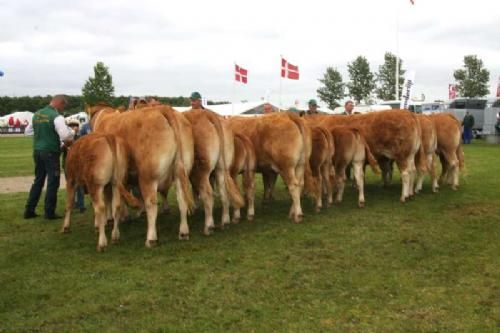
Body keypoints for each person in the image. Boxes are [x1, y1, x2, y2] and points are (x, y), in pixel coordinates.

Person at [24, 95, 75, 220]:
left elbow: (28, 131)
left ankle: (29, 210)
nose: (63, 109)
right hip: (51, 152)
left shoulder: (37, 114)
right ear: (60, 103)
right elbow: (65, 136)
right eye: (63, 106)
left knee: (38, 180)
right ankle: (49, 212)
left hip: (37, 150)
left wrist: (43, 135)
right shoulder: (57, 117)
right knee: (53, 181)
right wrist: (72, 132)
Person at [61, 120, 86, 213]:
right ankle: (72, 203)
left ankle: (81, 204)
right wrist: (65, 145)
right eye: (71, 126)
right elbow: (61, 150)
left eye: (75, 125)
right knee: (70, 184)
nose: (73, 127)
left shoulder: (81, 138)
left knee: (79, 185)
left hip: (78, 164)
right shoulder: (66, 138)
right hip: (67, 165)